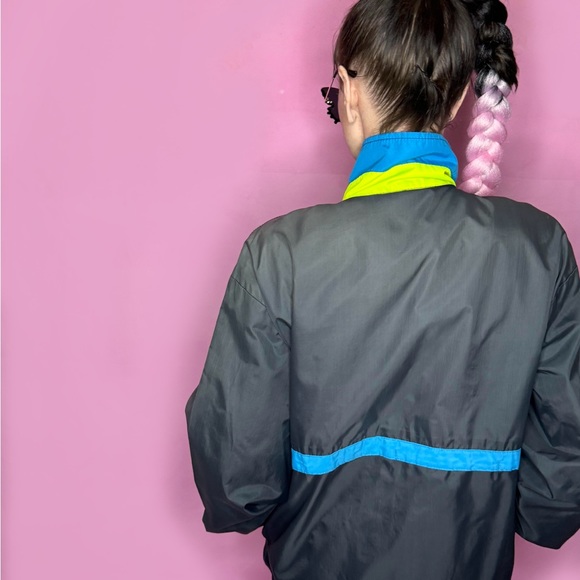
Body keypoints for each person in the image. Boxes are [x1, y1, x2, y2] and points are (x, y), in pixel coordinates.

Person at [185, 0, 580, 578]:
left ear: (347, 91)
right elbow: (556, 498)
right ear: (457, 99)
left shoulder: (279, 255)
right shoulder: (540, 248)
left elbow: (234, 486)